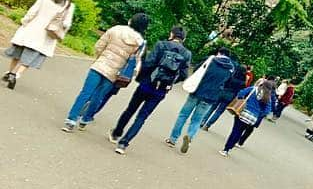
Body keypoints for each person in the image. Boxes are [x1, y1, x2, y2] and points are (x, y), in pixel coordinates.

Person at [110, 25, 191, 155]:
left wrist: (143, 76)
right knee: (142, 117)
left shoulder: (161, 45)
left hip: (146, 84)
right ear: (183, 38)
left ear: (172, 34)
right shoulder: (186, 54)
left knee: (130, 109)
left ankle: (116, 133)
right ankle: (124, 144)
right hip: (161, 90)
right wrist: (170, 82)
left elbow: (149, 63)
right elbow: (183, 75)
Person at [62, 13, 148, 132]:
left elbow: (99, 46)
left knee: (85, 93)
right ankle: (85, 119)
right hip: (115, 73)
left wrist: (100, 58)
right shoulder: (140, 42)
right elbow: (136, 63)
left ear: (131, 21)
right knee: (98, 97)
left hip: (99, 66)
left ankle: (70, 121)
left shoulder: (116, 29)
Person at [4, 0, 76, 90]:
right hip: (45, 36)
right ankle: (15, 75)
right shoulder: (69, 6)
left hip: (31, 29)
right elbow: (67, 24)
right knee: (28, 59)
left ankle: (10, 72)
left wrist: (25, 21)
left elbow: (33, 11)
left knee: (17, 53)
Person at [166, 47, 234, 153]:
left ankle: (172, 139)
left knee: (183, 115)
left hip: (197, 91)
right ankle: (189, 136)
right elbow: (228, 83)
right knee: (197, 120)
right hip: (211, 97)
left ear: (219, 53)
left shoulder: (210, 60)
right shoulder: (231, 68)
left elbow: (197, 70)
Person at [219, 77, 276, 157]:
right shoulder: (268, 98)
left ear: (262, 84)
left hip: (243, 113)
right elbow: (267, 110)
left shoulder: (253, 89)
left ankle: (226, 149)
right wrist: (259, 114)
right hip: (253, 118)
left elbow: (241, 93)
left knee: (235, 130)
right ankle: (230, 147)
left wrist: (242, 101)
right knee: (240, 132)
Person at [201, 57, 247, 131]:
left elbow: (224, 82)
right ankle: (207, 125)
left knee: (212, 107)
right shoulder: (243, 82)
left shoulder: (231, 75)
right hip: (230, 96)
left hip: (222, 92)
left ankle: (203, 121)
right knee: (219, 111)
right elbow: (241, 91)